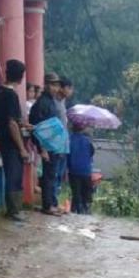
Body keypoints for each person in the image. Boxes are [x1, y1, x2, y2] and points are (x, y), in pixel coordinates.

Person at [0, 60, 30, 222]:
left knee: (12, 172)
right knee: (14, 174)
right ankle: (14, 210)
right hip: (11, 142)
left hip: (2, 138)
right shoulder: (11, 95)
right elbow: (11, 123)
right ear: (20, 77)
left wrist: (23, 124)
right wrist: (22, 148)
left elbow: (11, 119)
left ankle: (14, 209)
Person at [29, 72, 63, 216]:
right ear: (47, 85)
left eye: (57, 86)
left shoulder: (51, 102)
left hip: (54, 145)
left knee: (52, 175)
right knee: (49, 176)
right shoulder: (41, 103)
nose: (56, 89)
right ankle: (47, 206)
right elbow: (37, 128)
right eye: (53, 85)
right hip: (47, 146)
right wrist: (42, 149)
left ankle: (50, 203)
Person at [52, 76, 74, 210]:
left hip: (64, 143)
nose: (71, 91)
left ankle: (56, 200)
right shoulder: (54, 103)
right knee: (54, 174)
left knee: (59, 175)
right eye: (69, 88)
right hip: (56, 144)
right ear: (61, 88)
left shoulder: (62, 102)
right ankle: (53, 202)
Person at [68, 122, 95, 214]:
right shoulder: (87, 141)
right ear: (82, 129)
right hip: (86, 170)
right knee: (86, 191)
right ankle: (85, 209)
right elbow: (92, 152)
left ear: (72, 128)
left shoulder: (69, 139)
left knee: (76, 191)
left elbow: (66, 154)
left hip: (73, 170)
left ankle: (76, 209)